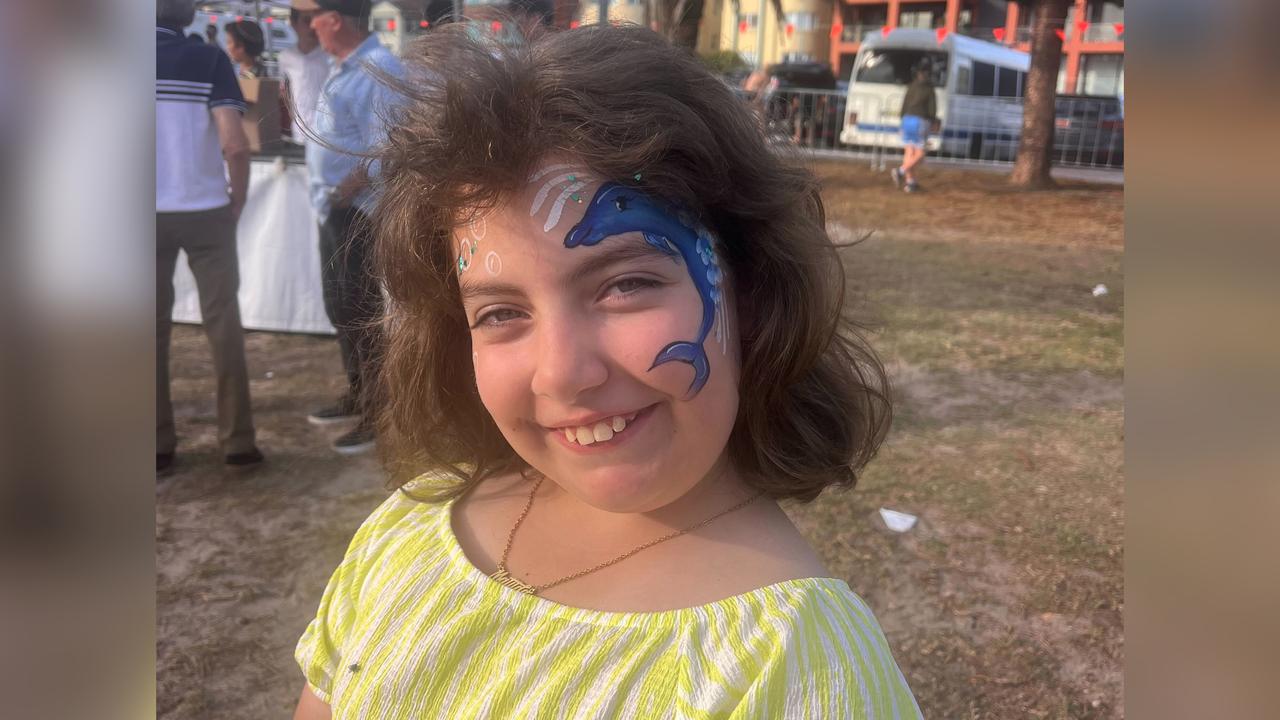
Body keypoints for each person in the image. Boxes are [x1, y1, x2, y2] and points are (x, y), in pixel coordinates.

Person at [292, 24, 920, 719]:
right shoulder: (410, 526)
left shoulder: (794, 667)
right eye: (501, 313)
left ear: (750, 288)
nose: (564, 374)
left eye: (624, 286)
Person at [156, 0, 262, 474]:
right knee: (223, 325)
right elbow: (234, 143)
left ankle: (157, 444)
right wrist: (236, 199)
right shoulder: (210, 60)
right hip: (204, 209)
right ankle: (237, 441)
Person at [296, 0, 402, 455]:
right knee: (341, 303)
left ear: (333, 20)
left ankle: (378, 408)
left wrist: (345, 189)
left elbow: (390, 146)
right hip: (337, 207)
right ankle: (359, 392)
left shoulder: (379, 68)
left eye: (311, 17)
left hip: (358, 209)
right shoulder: (348, 67)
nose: (308, 26)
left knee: (358, 307)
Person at [279, 1, 331, 144]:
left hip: (327, 136)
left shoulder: (331, 56)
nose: (312, 26)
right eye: (307, 20)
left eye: (316, 20)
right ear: (293, 24)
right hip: (298, 135)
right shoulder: (286, 57)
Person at [891, 63, 938, 194]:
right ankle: (900, 171)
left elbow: (904, 104)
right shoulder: (929, 89)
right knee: (920, 153)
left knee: (909, 151)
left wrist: (902, 120)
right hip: (920, 121)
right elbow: (932, 108)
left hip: (907, 119)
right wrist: (933, 120)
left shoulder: (911, 86)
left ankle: (910, 182)